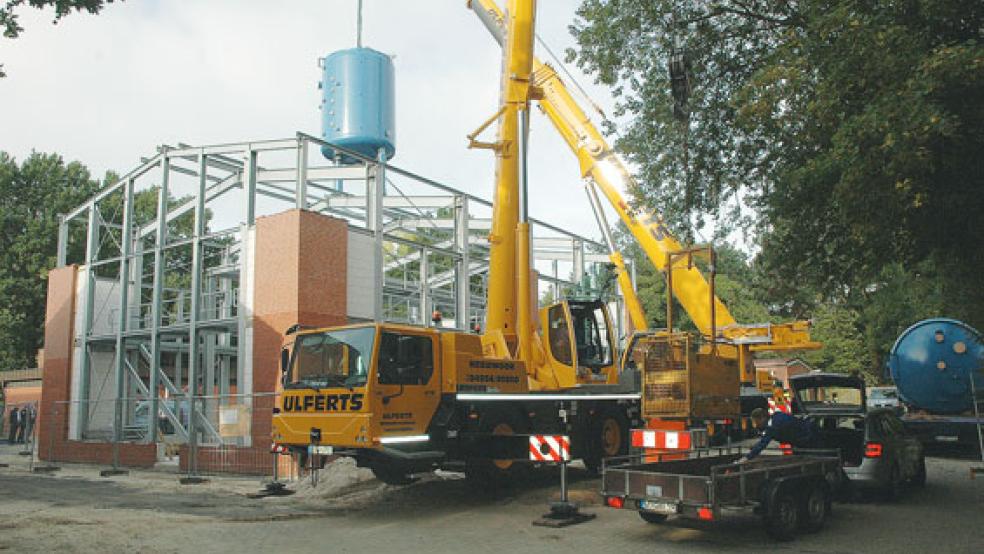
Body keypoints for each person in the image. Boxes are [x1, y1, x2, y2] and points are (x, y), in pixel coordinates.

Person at [742, 407, 821, 461]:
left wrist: (746, 458)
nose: (756, 425)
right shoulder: (777, 417)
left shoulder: (773, 426)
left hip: (809, 440)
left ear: (763, 418)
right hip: (804, 438)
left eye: (756, 422)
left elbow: (762, 444)